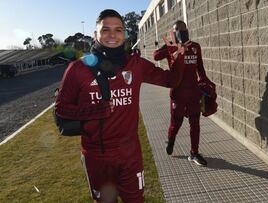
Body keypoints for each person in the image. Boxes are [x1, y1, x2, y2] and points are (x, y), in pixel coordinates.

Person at [55, 9, 185, 203]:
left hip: (130, 155)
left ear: (124, 34)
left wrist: (176, 55)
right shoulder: (78, 69)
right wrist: (94, 111)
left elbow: (172, 81)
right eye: (105, 29)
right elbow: (61, 109)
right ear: (95, 34)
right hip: (97, 156)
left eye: (118, 30)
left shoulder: (136, 64)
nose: (112, 35)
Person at [153, 20, 211, 166]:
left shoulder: (195, 47)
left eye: (181, 29)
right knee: (176, 122)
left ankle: (194, 153)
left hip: (193, 93)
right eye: (175, 29)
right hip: (178, 93)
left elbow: (200, 68)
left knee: (195, 123)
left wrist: (205, 84)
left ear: (187, 30)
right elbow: (155, 56)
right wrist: (169, 45)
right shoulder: (171, 48)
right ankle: (171, 139)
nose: (179, 31)